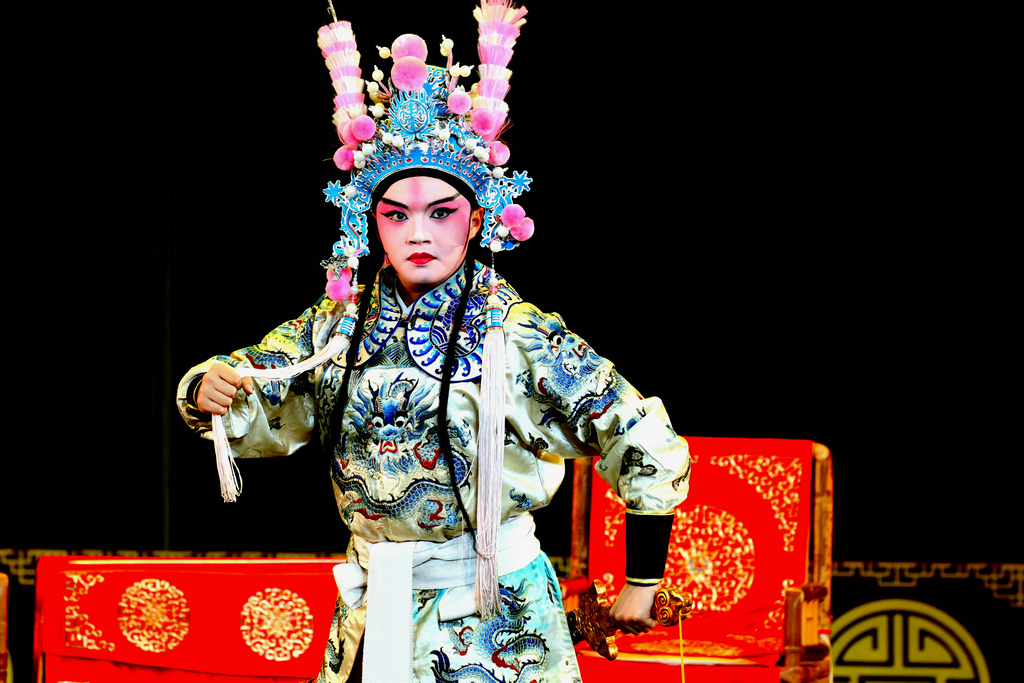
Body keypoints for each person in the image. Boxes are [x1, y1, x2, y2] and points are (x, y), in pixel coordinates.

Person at [177, 3, 690, 681]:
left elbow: (638, 432)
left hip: (494, 613)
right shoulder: (336, 327)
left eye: (441, 213)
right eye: (397, 215)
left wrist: (644, 579)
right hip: (375, 608)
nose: (418, 234)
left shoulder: (517, 333)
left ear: (476, 220)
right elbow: (255, 381)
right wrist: (206, 386)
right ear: (372, 224)